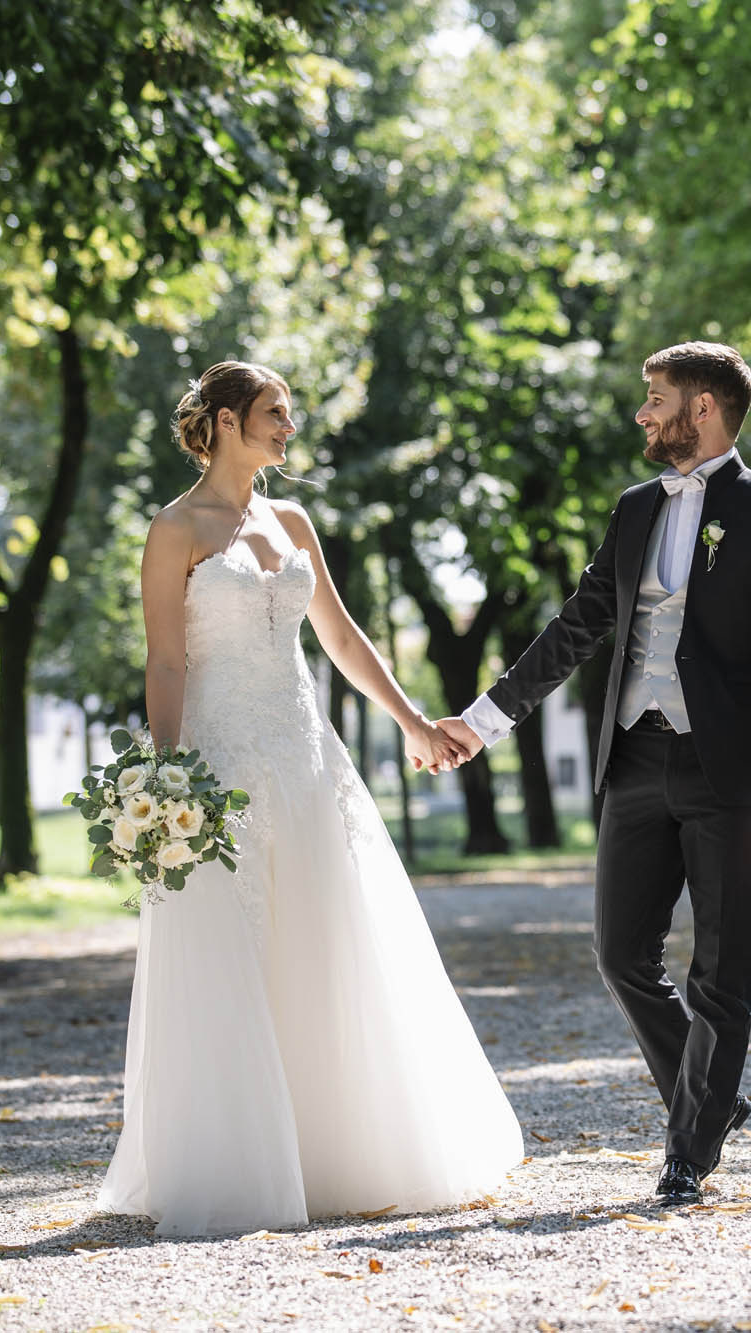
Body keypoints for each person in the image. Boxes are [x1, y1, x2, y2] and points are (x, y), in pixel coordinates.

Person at [97, 361, 521, 1237]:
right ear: (222, 422)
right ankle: (233, 1163)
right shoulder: (173, 530)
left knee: (323, 940)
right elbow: (166, 661)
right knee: (232, 949)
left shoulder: (291, 521)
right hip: (217, 768)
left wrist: (410, 719)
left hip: (304, 756)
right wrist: (164, 779)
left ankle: (334, 1154)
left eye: (288, 413)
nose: (288, 426)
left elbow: (338, 634)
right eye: (272, 413)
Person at [439, 341, 751, 1207]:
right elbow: (579, 625)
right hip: (637, 757)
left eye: (656, 398)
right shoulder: (634, 508)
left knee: (722, 970)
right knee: (621, 956)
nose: (643, 413)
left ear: (706, 407)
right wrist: (484, 719)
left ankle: (688, 1149)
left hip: (733, 773)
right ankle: (714, 1098)